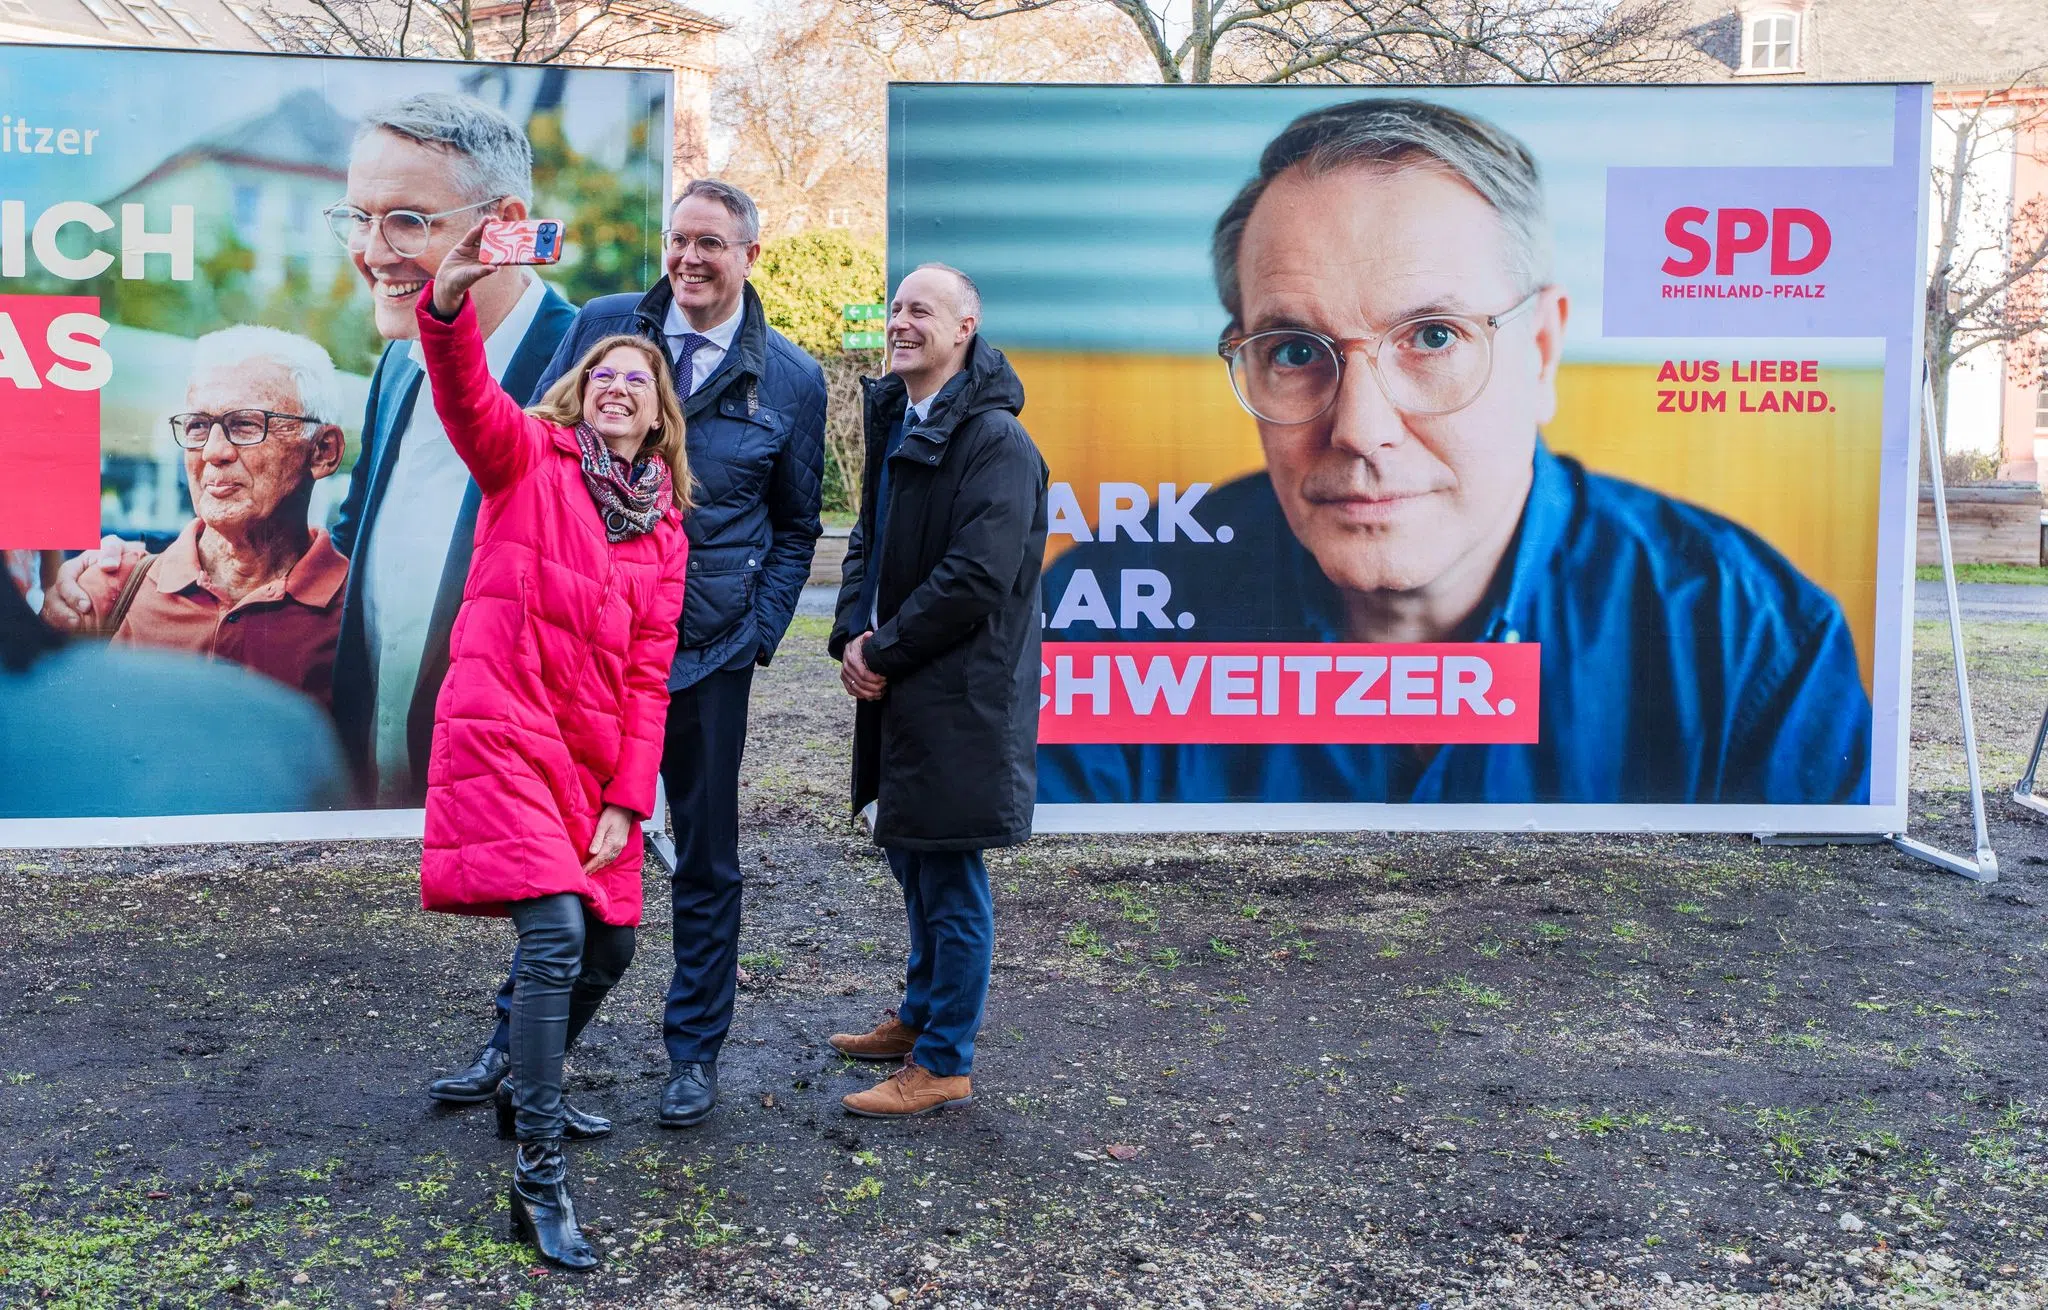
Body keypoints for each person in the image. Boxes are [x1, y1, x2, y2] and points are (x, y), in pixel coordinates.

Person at [1039, 97, 1872, 807]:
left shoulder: (1750, 639)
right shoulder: (1091, 623)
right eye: (1294, 350)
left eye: (1433, 337)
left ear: (1540, 351)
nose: (1360, 429)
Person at [44, 91, 578, 807]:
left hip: (521, 814)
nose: (372, 252)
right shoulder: (401, 366)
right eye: (359, 218)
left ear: (506, 226)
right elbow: (350, 542)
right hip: (391, 817)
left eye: (408, 222)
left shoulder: (589, 374)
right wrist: (142, 562)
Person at [427, 180, 826, 1132]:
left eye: (712, 246)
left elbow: (798, 524)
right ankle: (515, 1041)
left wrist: (758, 632)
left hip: (704, 651)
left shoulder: (795, 380)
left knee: (707, 861)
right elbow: (526, 432)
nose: (690, 260)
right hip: (581, 662)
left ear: (749, 258)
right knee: (562, 854)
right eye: (679, 240)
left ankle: (693, 1054)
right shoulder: (610, 327)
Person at [412, 221, 690, 1271]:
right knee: (557, 938)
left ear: (661, 413)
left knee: (612, 946)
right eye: (604, 372)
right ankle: (537, 1177)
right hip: (501, 733)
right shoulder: (526, 455)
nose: (619, 385)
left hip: (588, 761)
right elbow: (463, 392)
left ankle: (523, 1087)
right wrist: (447, 305)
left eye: (640, 379)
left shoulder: (665, 529)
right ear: (582, 390)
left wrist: (629, 792)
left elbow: (647, 674)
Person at [826, 264, 1048, 1119]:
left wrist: (885, 646)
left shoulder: (994, 441)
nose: (900, 322)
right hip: (903, 684)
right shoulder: (905, 421)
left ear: (966, 327)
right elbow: (868, 545)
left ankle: (945, 1060)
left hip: (959, 696)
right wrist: (853, 635)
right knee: (913, 855)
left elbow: (975, 578)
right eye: (895, 308)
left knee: (949, 876)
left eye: (921, 309)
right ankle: (919, 1019)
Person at [66, 327, 348, 706]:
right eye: (198, 426)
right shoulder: (106, 592)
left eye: (246, 424)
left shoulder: (360, 611)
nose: (214, 452)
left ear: (322, 451)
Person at [0, 567, 351, 819]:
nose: (215, 457)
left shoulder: (356, 596)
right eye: (192, 455)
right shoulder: (106, 582)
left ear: (324, 458)